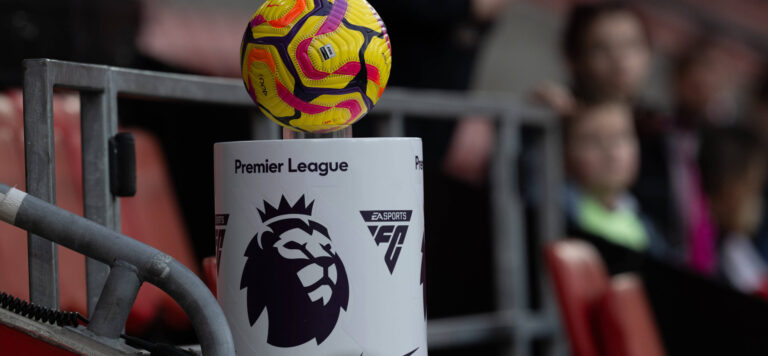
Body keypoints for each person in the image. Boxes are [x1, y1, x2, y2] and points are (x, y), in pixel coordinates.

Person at [563, 100, 666, 272]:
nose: (612, 152)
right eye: (592, 140)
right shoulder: (561, 208)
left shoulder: (646, 227)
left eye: (622, 136)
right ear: (564, 153)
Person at [699, 126, 768, 297]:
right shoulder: (705, 258)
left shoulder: (739, 247)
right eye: (751, 187)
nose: (758, 202)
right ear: (726, 189)